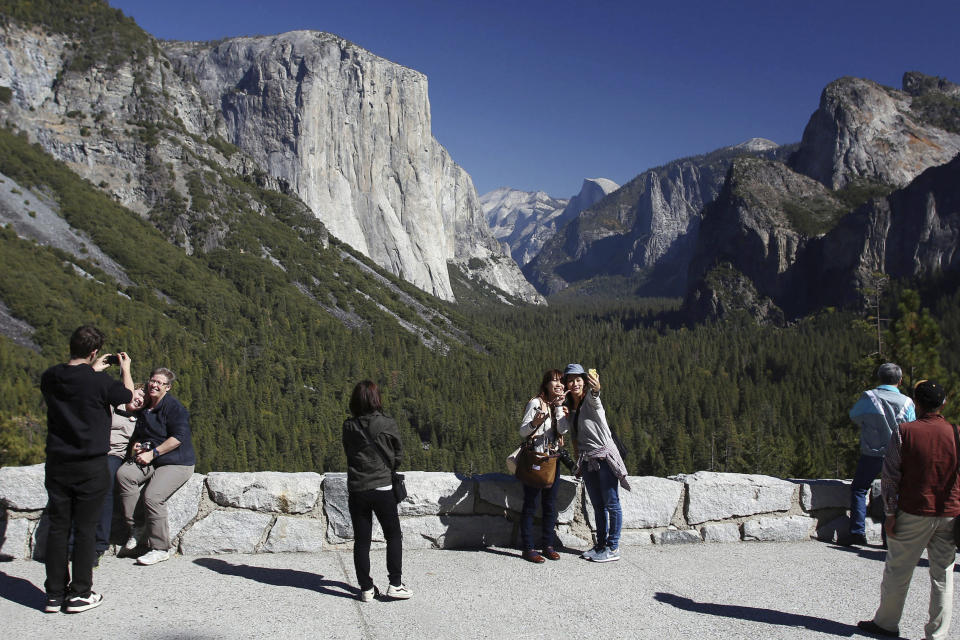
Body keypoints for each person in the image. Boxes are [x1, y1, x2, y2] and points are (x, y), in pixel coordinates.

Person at [40, 325, 133, 613]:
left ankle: (54, 594)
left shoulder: (50, 377)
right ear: (94, 352)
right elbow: (128, 397)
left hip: (57, 462)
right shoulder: (100, 383)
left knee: (58, 527)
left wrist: (92, 368)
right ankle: (80, 593)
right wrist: (125, 369)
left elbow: (75, 385)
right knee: (85, 528)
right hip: (90, 464)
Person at [858, 380, 958, 639]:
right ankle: (937, 634)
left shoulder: (905, 432)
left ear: (916, 404)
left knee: (898, 571)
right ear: (943, 403)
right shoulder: (957, 433)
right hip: (949, 512)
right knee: (943, 575)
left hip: (914, 510)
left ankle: (887, 623)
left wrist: (890, 514)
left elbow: (890, 477)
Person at [116, 367, 195, 566]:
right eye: (153, 381)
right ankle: (138, 527)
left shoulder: (174, 408)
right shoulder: (146, 408)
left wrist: (154, 453)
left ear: (167, 388)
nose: (155, 385)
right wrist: (137, 446)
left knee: (153, 496)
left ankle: (160, 548)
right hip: (151, 458)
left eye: (160, 383)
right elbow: (142, 434)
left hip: (176, 462)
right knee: (125, 474)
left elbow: (178, 438)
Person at [342, 380, 412, 601]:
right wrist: (388, 467)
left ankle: (366, 589)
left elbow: (349, 452)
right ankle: (395, 584)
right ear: (376, 399)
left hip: (358, 489)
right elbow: (398, 453)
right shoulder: (387, 423)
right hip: (382, 486)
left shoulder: (348, 426)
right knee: (393, 535)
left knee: (362, 540)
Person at [843, 363, 916, 546]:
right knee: (892, 494)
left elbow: (854, 416)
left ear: (880, 378)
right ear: (900, 380)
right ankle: (889, 537)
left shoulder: (869, 396)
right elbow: (912, 427)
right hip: (897, 455)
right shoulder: (907, 402)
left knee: (859, 489)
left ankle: (857, 533)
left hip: (871, 452)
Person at [564, 363, 630, 563]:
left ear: (584, 382)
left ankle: (612, 547)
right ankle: (600, 545)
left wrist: (596, 388)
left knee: (611, 503)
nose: (574, 383)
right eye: (570, 380)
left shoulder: (591, 401)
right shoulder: (570, 407)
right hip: (587, 460)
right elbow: (573, 435)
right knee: (598, 505)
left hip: (604, 457)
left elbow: (596, 394)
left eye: (578, 379)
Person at [517, 369, 569, 563]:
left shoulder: (559, 406)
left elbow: (564, 429)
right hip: (536, 459)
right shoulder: (535, 403)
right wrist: (535, 423)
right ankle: (528, 548)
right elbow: (523, 431)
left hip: (553, 460)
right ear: (546, 384)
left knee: (550, 505)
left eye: (561, 382)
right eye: (555, 381)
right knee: (530, 504)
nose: (559, 385)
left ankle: (548, 545)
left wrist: (558, 408)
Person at [93, 385, 144, 563]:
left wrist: (136, 446)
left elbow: (138, 440)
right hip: (94, 450)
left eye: (144, 400)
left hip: (114, 456)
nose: (140, 399)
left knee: (105, 486)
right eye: (139, 394)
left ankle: (99, 543)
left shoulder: (139, 419)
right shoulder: (113, 406)